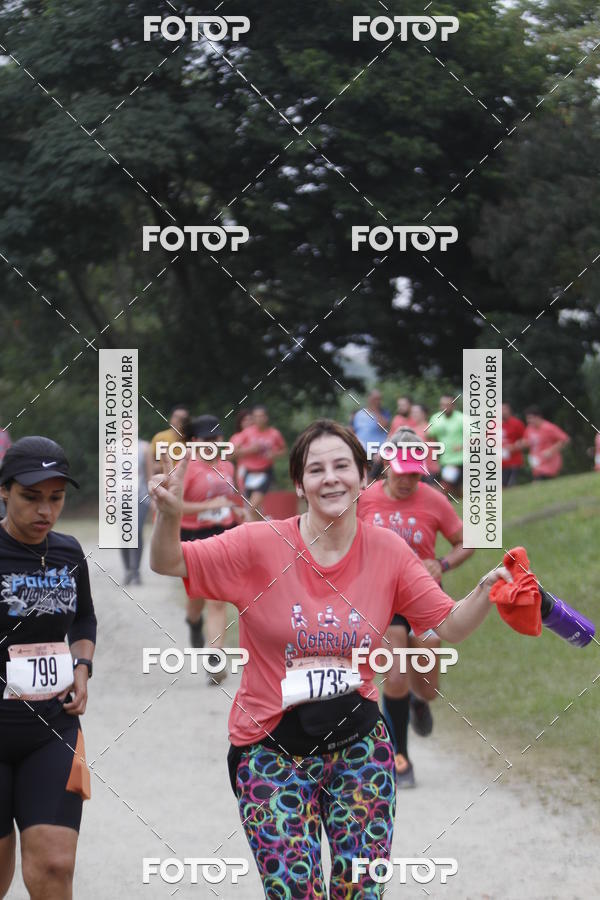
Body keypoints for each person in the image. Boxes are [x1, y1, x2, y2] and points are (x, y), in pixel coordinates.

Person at [149, 419, 510, 897]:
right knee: (296, 892)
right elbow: (169, 561)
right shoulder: (259, 544)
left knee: (361, 892)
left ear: (364, 476)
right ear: (300, 484)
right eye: (316, 469)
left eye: (343, 466)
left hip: (358, 744)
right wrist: (170, 514)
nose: (331, 477)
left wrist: (488, 588)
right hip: (268, 747)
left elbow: (448, 624)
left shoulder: (389, 551)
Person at [0, 436, 97, 900]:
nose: (45, 511)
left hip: (53, 728)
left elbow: (83, 617)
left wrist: (82, 665)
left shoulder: (68, 551)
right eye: (31, 497)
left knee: (56, 864)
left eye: (55, 499)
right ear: (4, 491)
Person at [357, 428, 474, 787]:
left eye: (414, 472)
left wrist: (444, 563)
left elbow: (466, 541)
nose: (407, 479)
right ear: (386, 465)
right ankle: (399, 761)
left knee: (427, 688)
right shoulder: (365, 500)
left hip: (425, 598)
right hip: (384, 598)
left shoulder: (435, 500)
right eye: (400, 470)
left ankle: (418, 702)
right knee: (393, 676)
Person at [180, 415, 245, 683]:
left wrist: (239, 512)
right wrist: (208, 506)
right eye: (207, 439)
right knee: (196, 600)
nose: (214, 443)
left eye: (217, 438)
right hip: (194, 536)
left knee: (217, 601)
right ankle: (193, 622)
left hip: (224, 534)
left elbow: (233, 498)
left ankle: (215, 662)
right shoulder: (186, 469)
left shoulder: (227, 467)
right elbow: (175, 507)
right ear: (194, 442)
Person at [231, 406, 286, 520]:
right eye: (256, 417)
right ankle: (264, 523)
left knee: (251, 507)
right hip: (248, 473)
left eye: (261, 416)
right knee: (253, 508)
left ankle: (257, 527)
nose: (258, 419)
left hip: (265, 471)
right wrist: (250, 450)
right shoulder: (247, 433)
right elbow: (231, 453)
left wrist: (274, 454)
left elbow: (283, 450)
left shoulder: (274, 434)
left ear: (266, 418)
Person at [120, 437, 151, 585]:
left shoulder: (144, 447)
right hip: (120, 497)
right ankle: (128, 570)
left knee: (136, 530)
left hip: (140, 497)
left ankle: (135, 571)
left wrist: (153, 498)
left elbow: (149, 475)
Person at [520, 408, 570, 480]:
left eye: (531, 418)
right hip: (536, 463)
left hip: (549, 464)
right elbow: (526, 441)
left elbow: (565, 440)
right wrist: (522, 444)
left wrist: (551, 450)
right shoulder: (529, 428)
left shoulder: (548, 427)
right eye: (527, 419)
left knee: (540, 484)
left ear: (538, 417)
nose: (528, 421)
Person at [428, 394, 464, 494]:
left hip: (459, 460)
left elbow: (476, 436)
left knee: (445, 487)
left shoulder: (462, 418)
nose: (444, 407)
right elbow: (429, 435)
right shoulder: (435, 418)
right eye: (442, 405)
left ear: (453, 406)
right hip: (442, 461)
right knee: (456, 490)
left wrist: (463, 445)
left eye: (447, 405)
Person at [147, 405, 190, 477]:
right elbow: (150, 462)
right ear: (171, 419)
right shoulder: (160, 437)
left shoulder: (191, 439)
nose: (179, 420)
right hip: (164, 480)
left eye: (183, 418)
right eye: (176, 417)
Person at [229, 408, 253, 497]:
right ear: (240, 422)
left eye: (250, 419)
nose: (248, 422)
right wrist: (249, 450)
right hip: (243, 471)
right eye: (245, 420)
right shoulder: (236, 437)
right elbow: (228, 456)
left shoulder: (259, 435)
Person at [501, 403, 525, 488]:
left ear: (509, 410)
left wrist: (514, 446)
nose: (502, 412)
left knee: (509, 485)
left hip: (514, 461)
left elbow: (525, 440)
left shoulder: (516, 423)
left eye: (504, 409)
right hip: (499, 462)